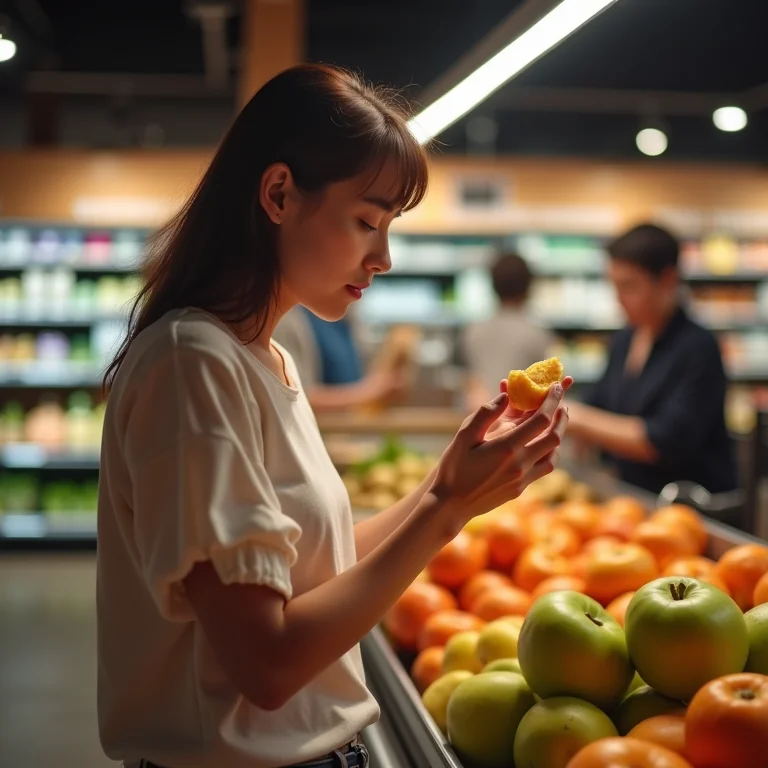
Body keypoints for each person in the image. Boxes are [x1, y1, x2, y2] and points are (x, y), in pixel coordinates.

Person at [95, 63, 570, 768]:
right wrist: (443, 508)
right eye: (367, 222)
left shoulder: (262, 359)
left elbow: (313, 568)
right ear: (280, 194)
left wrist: (449, 490)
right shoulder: (191, 364)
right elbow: (267, 665)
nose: (382, 257)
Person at [567, 223, 738, 495]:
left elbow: (666, 441)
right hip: (634, 500)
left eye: (629, 286)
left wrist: (577, 419)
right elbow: (598, 401)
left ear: (667, 279)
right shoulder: (625, 339)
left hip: (689, 507)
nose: (619, 299)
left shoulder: (698, 347)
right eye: (615, 286)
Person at [462, 251, 557, 410]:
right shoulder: (538, 335)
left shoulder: (472, 331)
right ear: (528, 287)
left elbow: (471, 383)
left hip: (482, 417)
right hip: (522, 421)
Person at [273, 306, 405, 412]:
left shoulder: (343, 315)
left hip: (346, 431)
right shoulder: (287, 320)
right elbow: (295, 398)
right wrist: (366, 393)